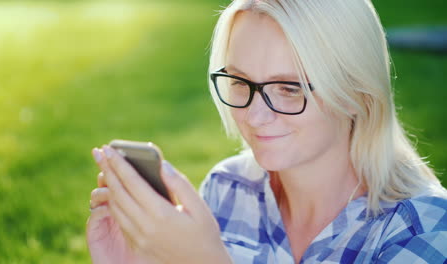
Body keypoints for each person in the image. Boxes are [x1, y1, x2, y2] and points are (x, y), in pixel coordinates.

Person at [86, 0, 447, 263]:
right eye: (240, 81)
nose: (255, 116)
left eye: (289, 89)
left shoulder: (425, 228)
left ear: (356, 93)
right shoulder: (227, 189)